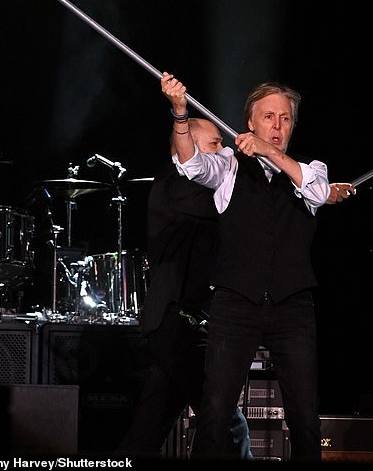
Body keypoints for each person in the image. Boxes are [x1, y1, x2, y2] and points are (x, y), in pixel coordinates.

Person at [161, 71, 354, 462]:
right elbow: (192, 164)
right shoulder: (229, 167)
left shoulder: (311, 171)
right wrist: (180, 113)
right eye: (268, 117)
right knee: (215, 413)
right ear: (250, 122)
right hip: (235, 304)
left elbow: (316, 192)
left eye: (284, 118)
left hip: (292, 307)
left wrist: (269, 152)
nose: (276, 126)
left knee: (304, 418)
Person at [115, 116, 252, 459]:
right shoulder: (178, 184)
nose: (222, 152)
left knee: (147, 430)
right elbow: (229, 201)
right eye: (214, 145)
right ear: (187, 146)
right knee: (225, 421)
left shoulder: (194, 188)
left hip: (181, 324)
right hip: (176, 323)